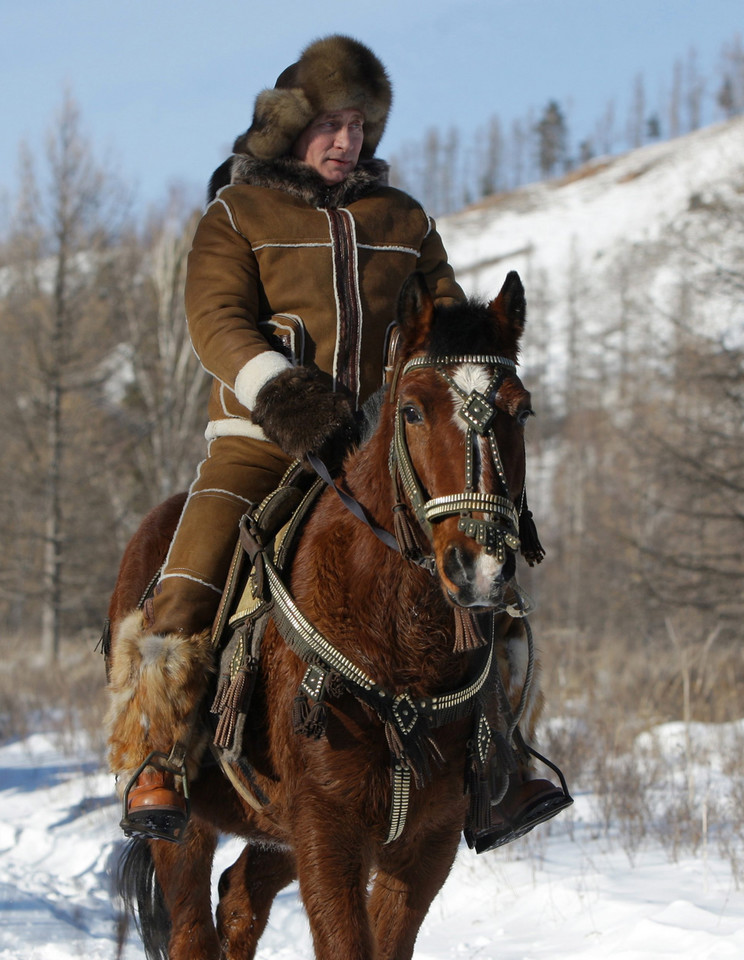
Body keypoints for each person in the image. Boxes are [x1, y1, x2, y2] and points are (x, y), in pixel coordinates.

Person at [106, 34, 568, 847]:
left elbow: (447, 323)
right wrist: (280, 393)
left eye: (358, 126)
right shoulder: (237, 214)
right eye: (330, 124)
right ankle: (159, 758)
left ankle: (499, 763)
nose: (347, 141)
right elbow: (215, 323)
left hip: (382, 449)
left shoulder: (404, 219)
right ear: (290, 126)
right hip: (259, 442)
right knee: (186, 581)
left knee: (489, 583)